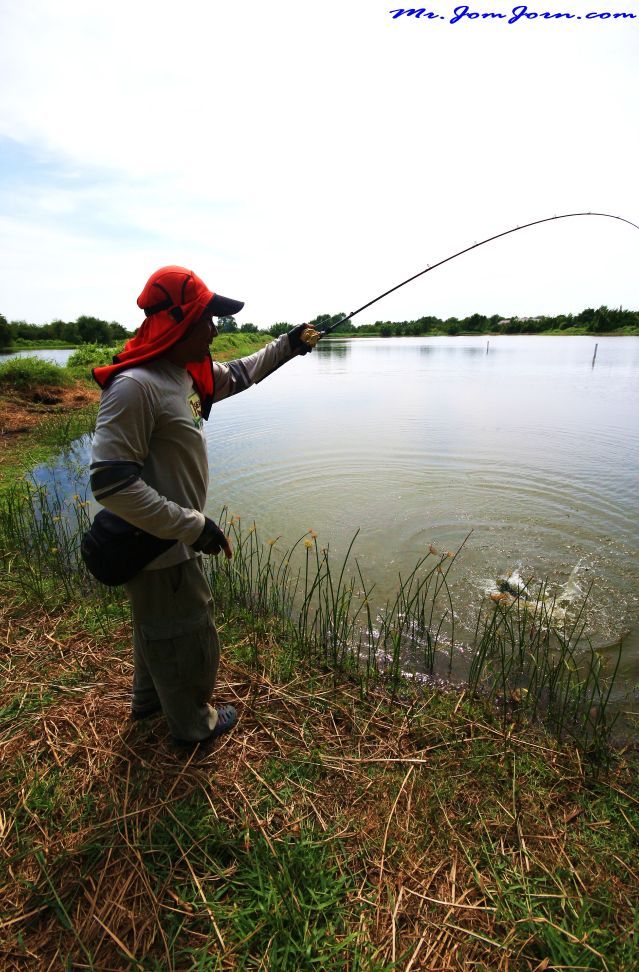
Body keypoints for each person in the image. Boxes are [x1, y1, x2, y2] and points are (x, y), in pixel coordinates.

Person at [90, 266, 319, 745]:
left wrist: (289, 344)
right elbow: (111, 484)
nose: (215, 330)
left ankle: (149, 703)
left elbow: (241, 372)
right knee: (187, 635)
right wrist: (193, 526)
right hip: (158, 545)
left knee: (157, 627)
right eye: (206, 319)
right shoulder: (136, 386)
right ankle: (194, 725)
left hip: (167, 540)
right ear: (177, 323)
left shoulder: (183, 374)